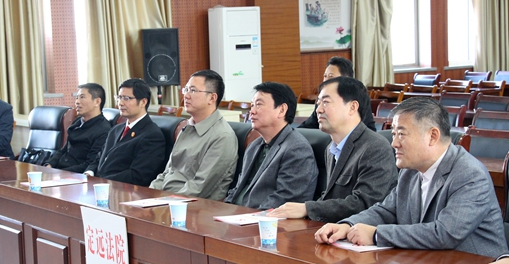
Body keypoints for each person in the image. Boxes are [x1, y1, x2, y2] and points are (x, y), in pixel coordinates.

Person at [314, 97, 507, 258]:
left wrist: (376, 234)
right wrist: (348, 225)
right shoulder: (410, 170)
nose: (394, 143)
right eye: (393, 134)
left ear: (432, 136)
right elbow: (386, 210)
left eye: (401, 134)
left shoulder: (470, 174)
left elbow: (445, 233)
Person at [268, 76, 397, 222]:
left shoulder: (375, 147)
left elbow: (366, 204)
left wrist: (307, 208)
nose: (318, 110)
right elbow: (330, 198)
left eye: (326, 102)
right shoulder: (331, 148)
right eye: (318, 103)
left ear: (352, 107)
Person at [225, 82, 318, 210]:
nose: (251, 111)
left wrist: (246, 215)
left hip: (264, 219)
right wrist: (225, 209)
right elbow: (237, 190)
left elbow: (285, 200)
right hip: (238, 214)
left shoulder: (297, 148)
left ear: (281, 110)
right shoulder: (254, 146)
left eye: (259, 105)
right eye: (252, 105)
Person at [150, 70, 237, 200]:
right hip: (167, 198)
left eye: (193, 90)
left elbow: (199, 188)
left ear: (212, 98)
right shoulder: (187, 127)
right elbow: (167, 172)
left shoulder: (222, 136)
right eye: (186, 90)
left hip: (193, 206)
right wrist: (149, 194)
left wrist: (164, 201)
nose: (186, 95)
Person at [84, 78, 165, 186]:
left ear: (143, 102)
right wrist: (89, 172)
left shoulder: (152, 135)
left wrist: (102, 181)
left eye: (126, 98)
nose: (120, 103)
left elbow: (138, 175)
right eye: (119, 97)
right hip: (100, 186)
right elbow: (100, 157)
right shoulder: (116, 129)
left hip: (121, 190)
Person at [45, 83, 112, 173]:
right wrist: (49, 165)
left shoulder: (104, 130)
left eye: (82, 97)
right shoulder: (77, 122)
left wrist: (59, 173)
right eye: (77, 98)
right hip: (60, 172)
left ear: (97, 102)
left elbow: (91, 164)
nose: (77, 102)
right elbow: (63, 150)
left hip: (75, 175)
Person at [297, 56, 376, 131]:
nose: (326, 81)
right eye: (325, 76)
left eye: (331, 77)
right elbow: (308, 126)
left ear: (346, 79)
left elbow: (366, 131)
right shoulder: (322, 101)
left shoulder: (357, 97)